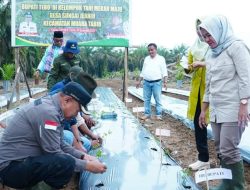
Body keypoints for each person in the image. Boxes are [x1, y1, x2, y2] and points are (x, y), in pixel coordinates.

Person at [0, 81, 107, 189]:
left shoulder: (54, 108)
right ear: (67, 101)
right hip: (10, 169)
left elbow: (60, 143)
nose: (76, 115)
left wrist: (84, 156)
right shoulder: (48, 113)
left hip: (21, 163)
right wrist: (88, 166)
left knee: (65, 160)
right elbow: (55, 153)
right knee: (64, 163)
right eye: (77, 110)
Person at [199, 15, 250, 189]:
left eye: (209, 35)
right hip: (216, 109)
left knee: (229, 148)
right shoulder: (212, 54)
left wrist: (244, 105)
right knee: (221, 148)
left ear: (219, 30)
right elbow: (209, 84)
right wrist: (204, 110)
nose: (207, 40)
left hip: (233, 108)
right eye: (204, 37)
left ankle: (237, 186)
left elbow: (246, 77)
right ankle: (226, 184)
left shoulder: (237, 47)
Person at [181, 18, 210, 171]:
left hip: (214, 90)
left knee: (220, 127)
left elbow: (220, 63)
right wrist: (187, 67)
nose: (200, 33)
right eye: (197, 29)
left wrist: (202, 64)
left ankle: (225, 162)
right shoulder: (194, 46)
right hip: (198, 92)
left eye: (202, 29)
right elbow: (190, 64)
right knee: (199, 124)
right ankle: (203, 158)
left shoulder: (214, 44)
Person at [136, 43, 168, 120]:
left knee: (158, 99)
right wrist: (139, 81)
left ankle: (158, 115)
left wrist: (165, 82)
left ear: (156, 50)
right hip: (146, 82)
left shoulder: (161, 59)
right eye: (149, 50)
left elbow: (164, 71)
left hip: (157, 82)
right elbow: (143, 71)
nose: (150, 51)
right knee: (146, 99)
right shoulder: (147, 59)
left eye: (152, 50)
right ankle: (147, 114)